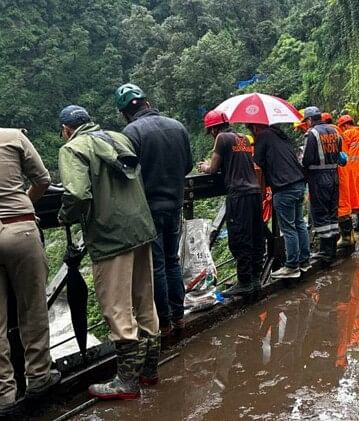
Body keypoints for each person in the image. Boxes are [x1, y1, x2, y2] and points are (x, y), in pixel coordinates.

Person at [58, 105, 159, 399]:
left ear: (66, 129)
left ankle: (126, 383)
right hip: (141, 227)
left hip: (110, 236)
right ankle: (150, 371)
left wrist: (66, 215)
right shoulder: (118, 138)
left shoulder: (73, 148)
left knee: (117, 308)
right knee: (144, 300)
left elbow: (77, 193)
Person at [116, 83, 193, 335]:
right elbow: (187, 165)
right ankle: (179, 315)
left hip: (149, 208)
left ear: (125, 111)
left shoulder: (131, 133)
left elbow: (128, 174)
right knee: (172, 260)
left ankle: (165, 321)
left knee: (156, 265)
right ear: (147, 102)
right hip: (175, 204)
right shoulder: (177, 126)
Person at [0, 128, 59, 415]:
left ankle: (5, 395)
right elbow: (43, 180)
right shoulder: (12, 137)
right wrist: (23, 200)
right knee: (33, 310)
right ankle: (38, 379)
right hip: (20, 227)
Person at [198, 111, 265, 294]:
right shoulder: (243, 137)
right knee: (255, 235)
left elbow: (213, 169)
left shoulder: (221, 137)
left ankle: (244, 281)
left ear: (213, 129)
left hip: (239, 193)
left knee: (239, 237)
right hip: (254, 191)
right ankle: (256, 278)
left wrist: (204, 166)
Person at [251, 122, 310, 279]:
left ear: (255, 127)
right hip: (298, 183)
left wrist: (260, 193)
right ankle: (304, 261)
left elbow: (257, 165)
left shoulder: (262, 136)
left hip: (284, 187)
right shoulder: (281, 136)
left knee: (289, 228)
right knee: (299, 224)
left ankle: (292, 266)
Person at [301, 106, 341, 265]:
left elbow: (307, 159)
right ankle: (332, 249)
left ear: (310, 120)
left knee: (321, 213)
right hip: (334, 174)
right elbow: (339, 153)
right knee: (332, 211)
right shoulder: (335, 131)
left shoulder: (312, 134)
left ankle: (325, 252)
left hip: (318, 177)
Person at [338, 115, 359, 232]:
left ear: (345, 125)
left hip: (350, 168)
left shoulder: (348, 133)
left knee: (347, 197)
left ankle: (348, 230)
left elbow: (342, 150)